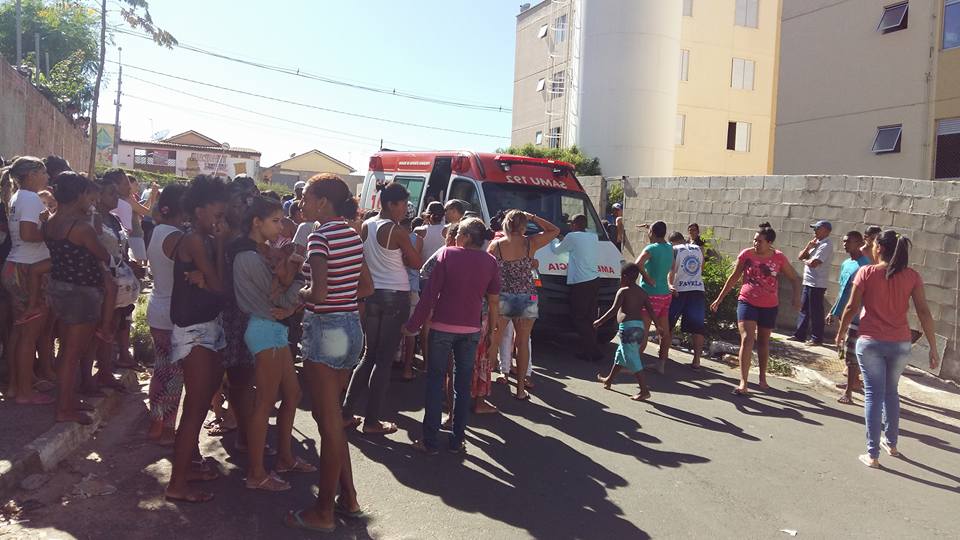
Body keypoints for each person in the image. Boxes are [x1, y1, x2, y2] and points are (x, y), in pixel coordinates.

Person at [288, 173, 369, 533]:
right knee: (330, 419)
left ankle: (323, 512)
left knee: (330, 422)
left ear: (322, 202)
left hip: (326, 329)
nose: (301, 203)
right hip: (350, 327)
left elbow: (317, 294)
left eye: (306, 196)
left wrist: (297, 293)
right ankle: (348, 497)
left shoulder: (320, 237)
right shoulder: (351, 234)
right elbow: (364, 284)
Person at [836, 231, 939, 468]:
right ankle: (890, 443)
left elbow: (852, 306)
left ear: (879, 248)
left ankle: (872, 454)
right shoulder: (912, 276)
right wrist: (933, 346)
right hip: (900, 343)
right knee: (891, 392)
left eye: (872, 245)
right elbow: (924, 312)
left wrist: (841, 333)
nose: (870, 248)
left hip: (871, 341)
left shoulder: (867, 272)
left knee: (873, 394)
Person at [233, 196, 311, 491]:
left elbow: (285, 295)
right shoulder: (250, 258)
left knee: (292, 393)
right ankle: (256, 473)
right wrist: (294, 268)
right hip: (264, 329)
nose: (281, 227)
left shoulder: (258, 253)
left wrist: (290, 276)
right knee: (265, 402)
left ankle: (284, 459)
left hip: (273, 329)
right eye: (275, 221)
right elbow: (279, 296)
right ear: (257, 222)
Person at [404, 217, 500, 454]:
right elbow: (494, 301)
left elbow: (429, 296)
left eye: (459, 234)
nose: (455, 237)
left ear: (466, 237)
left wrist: (413, 324)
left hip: (443, 327)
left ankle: (430, 440)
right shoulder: (490, 261)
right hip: (472, 330)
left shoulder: (447, 255)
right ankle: (458, 440)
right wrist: (492, 333)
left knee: (435, 381)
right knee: (462, 384)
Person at [165, 175, 229, 504]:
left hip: (207, 328)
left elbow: (216, 284)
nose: (221, 222)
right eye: (217, 215)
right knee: (194, 409)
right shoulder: (194, 240)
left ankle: (187, 467)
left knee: (199, 405)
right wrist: (218, 246)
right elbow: (219, 287)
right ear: (200, 210)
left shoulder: (201, 239)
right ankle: (176, 484)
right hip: (196, 332)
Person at [342, 182, 422, 435]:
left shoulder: (366, 225)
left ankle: (346, 413)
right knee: (384, 360)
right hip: (395, 295)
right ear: (391, 204)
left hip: (372, 294)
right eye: (402, 206)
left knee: (368, 356)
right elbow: (416, 262)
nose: (404, 211)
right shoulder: (396, 231)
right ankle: (372, 421)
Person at [44, 172, 111, 424]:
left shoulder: (49, 222)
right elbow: (103, 254)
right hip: (82, 293)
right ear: (79, 195)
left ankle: (67, 401)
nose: (91, 200)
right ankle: (64, 409)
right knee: (73, 353)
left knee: (66, 352)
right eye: (88, 194)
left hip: (60, 289)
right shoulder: (81, 228)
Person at [711, 222, 801, 396]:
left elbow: (794, 278)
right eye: (754, 240)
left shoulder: (779, 258)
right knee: (747, 338)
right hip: (747, 301)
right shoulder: (746, 255)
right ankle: (743, 382)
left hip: (769, 305)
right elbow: (734, 277)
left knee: (764, 342)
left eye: (760, 241)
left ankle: (762, 376)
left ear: (769, 243)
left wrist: (796, 297)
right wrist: (719, 298)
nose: (755, 244)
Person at [486, 210, 558, 399]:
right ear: (523, 225)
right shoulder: (530, 243)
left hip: (503, 296)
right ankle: (519, 390)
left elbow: (487, 272)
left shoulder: (496, 246)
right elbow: (554, 230)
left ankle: (484, 387)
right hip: (527, 296)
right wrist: (532, 216)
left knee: (494, 338)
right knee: (522, 341)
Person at [1, 157, 53, 405]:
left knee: (18, 332)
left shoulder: (17, 196)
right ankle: (24, 392)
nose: (47, 177)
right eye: (43, 172)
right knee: (28, 334)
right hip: (28, 268)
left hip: (15, 265)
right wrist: (50, 230)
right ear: (31, 175)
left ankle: (14, 386)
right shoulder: (31, 198)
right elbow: (28, 234)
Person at [146, 184, 189, 445]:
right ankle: (167, 429)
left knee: (160, 370)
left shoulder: (157, 230)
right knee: (174, 375)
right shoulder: (177, 237)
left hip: (158, 307)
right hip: (173, 312)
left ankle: (155, 423)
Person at [595, 263, 656, 400]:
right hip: (639, 327)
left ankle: (644, 390)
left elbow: (613, 310)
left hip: (628, 329)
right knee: (621, 355)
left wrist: (600, 321)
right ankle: (609, 380)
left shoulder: (623, 291)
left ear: (624, 277)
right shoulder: (642, 292)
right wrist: (659, 326)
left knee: (632, 358)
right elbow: (651, 310)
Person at [826, 231, 871, 405]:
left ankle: (849, 392)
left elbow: (861, 296)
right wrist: (834, 311)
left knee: (853, 353)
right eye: (844, 241)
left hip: (858, 316)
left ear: (859, 243)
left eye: (849, 241)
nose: (845, 244)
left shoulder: (865, 266)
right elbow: (843, 292)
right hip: (846, 314)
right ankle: (853, 382)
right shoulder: (846, 263)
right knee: (847, 352)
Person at [551, 214, 602, 362]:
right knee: (590, 317)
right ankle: (593, 349)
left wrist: (554, 239)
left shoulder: (572, 237)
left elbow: (556, 251)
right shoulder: (593, 237)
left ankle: (591, 351)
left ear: (574, 224)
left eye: (571, 223)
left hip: (581, 283)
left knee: (579, 317)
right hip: (594, 280)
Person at [635, 221, 674, 374]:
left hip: (650, 294)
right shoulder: (669, 247)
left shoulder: (651, 248)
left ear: (652, 232)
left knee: (643, 331)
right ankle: (661, 364)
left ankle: (634, 365)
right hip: (664, 294)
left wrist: (647, 277)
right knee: (665, 332)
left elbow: (638, 263)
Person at [791, 220, 834, 346]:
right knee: (804, 309)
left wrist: (806, 260)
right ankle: (800, 335)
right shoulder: (816, 243)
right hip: (808, 281)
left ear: (826, 231)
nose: (814, 231)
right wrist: (808, 247)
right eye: (814, 228)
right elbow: (800, 256)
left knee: (816, 311)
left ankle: (817, 338)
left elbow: (814, 263)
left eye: (817, 228)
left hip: (817, 283)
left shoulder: (826, 245)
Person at [667, 231, 706, 369]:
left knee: (668, 323)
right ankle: (697, 360)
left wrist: (670, 285)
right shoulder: (698, 249)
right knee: (697, 327)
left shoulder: (674, 250)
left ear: (672, 242)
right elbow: (701, 268)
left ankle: (663, 354)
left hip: (679, 291)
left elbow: (671, 269)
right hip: (697, 290)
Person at [399, 216, 423, 381]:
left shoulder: (393, 236)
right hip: (412, 286)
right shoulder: (418, 239)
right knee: (411, 330)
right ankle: (407, 368)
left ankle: (396, 360)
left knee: (392, 328)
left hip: (396, 286)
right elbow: (416, 261)